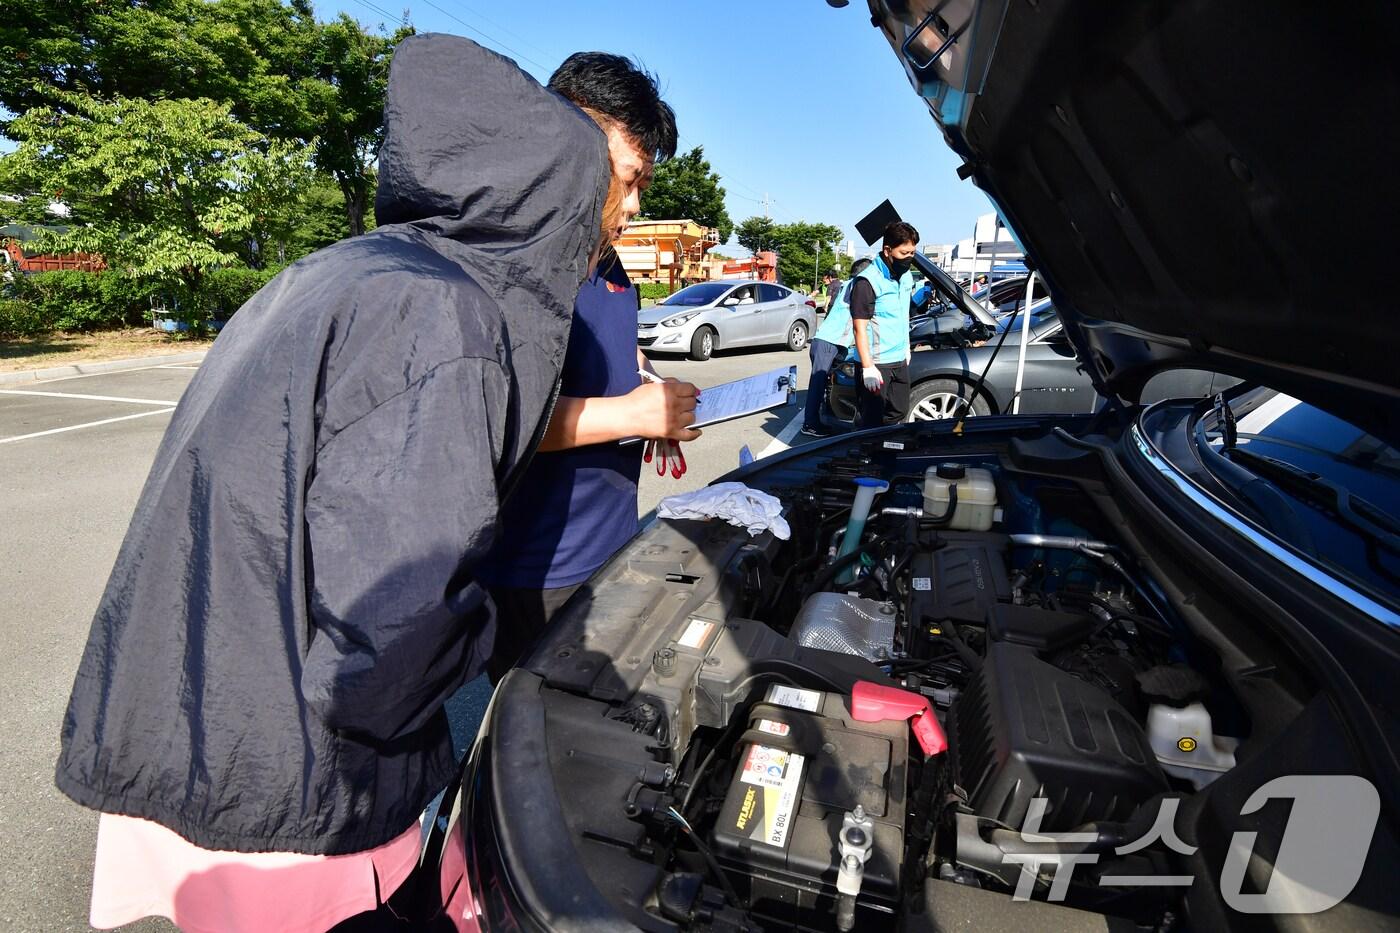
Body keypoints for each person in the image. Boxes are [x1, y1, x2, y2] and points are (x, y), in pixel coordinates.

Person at [55, 34, 619, 932]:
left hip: (206, 713)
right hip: (290, 784)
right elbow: (383, 646)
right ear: (543, 192)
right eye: (602, 196)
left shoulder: (347, 270)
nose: (607, 225)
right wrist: (486, 635)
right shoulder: (445, 317)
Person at [475, 51, 695, 684]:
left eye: (642, 187)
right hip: (536, 570)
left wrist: (645, 387)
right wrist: (630, 412)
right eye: (622, 179)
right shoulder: (514, 264)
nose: (630, 207)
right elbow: (493, 416)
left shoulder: (611, 263)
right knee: (534, 741)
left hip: (610, 542)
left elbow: (608, 355)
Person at [850, 221, 920, 428]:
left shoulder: (905, 277)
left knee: (898, 410)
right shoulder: (867, 281)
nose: (909, 258)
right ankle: (868, 453)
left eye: (913, 253)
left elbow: (902, 315)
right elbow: (859, 328)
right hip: (877, 362)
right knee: (872, 417)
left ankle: (882, 444)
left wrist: (906, 346)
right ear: (887, 250)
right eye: (904, 253)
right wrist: (868, 367)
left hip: (898, 357)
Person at [801, 258, 871, 437]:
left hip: (833, 343)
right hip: (827, 341)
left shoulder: (849, 284)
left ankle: (821, 417)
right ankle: (810, 424)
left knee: (826, 382)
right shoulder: (856, 286)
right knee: (817, 383)